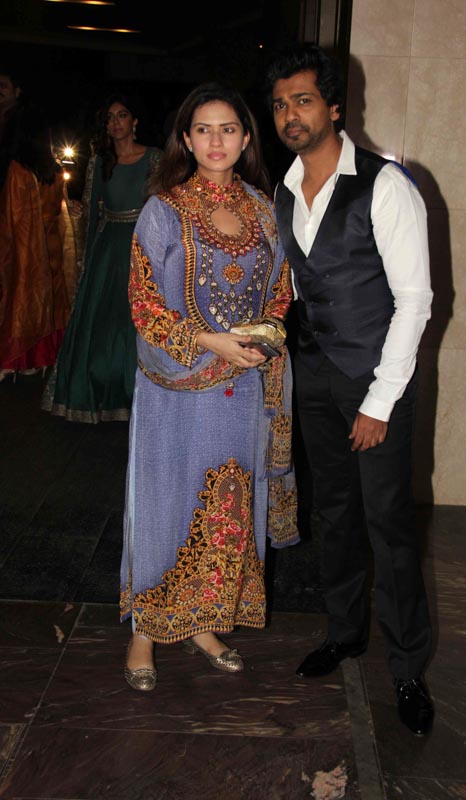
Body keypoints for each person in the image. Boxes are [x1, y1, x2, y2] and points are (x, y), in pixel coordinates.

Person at [265, 44, 434, 736]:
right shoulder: (283, 188)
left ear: (335, 107)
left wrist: (378, 401)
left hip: (374, 379)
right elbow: (298, 283)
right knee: (333, 512)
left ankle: (408, 667)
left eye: (303, 100)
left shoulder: (386, 185)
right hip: (314, 376)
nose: (290, 115)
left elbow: (415, 301)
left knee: (388, 524)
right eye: (280, 104)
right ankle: (343, 632)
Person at [119, 83, 298, 691]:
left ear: (246, 139)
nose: (216, 140)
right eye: (203, 129)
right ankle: (145, 631)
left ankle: (203, 624)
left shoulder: (263, 210)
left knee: (226, 506)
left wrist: (262, 338)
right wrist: (209, 342)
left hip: (241, 388)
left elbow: (280, 292)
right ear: (186, 139)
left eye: (228, 129)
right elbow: (144, 305)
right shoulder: (163, 210)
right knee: (165, 502)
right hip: (175, 388)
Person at [43, 93, 161, 422]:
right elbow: (92, 209)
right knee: (102, 325)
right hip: (108, 249)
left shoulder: (155, 158)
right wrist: (85, 247)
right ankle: (97, 393)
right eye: (110, 118)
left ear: (134, 121)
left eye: (122, 115)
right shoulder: (99, 161)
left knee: (135, 322)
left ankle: (139, 394)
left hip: (142, 245)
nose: (115, 122)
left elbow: (164, 208)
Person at [0, 103, 76, 379]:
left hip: (27, 248)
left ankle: (18, 359)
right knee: (51, 301)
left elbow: (14, 221)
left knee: (22, 298)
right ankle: (43, 358)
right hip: (51, 245)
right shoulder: (53, 169)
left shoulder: (18, 171)